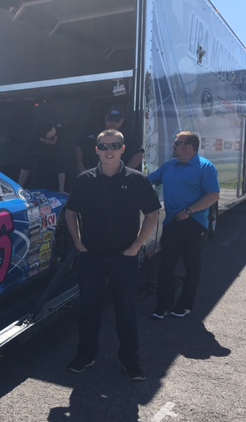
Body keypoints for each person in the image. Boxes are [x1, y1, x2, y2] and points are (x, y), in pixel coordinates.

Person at [65, 129, 160, 381]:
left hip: (124, 257)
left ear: (122, 149)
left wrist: (137, 246)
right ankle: (85, 355)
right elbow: (70, 212)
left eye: (114, 146)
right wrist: (78, 243)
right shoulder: (84, 180)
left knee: (125, 311)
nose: (109, 151)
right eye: (104, 146)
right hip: (91, 257)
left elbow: (152, 214)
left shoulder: (137, 180)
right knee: (88, 310)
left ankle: (130, 361)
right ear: (96, 150)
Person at [147, 132, 220, 319]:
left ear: (190, 147)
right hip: (172, 223)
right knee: (166, 265)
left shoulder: (205, 167)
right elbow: (148, 181)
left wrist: (189, 211)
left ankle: (185, 305)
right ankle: (163, 306)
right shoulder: (169, 166)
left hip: (194, 223)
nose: (174, 146)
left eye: (177, 143)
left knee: (192, 266)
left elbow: (213, 195)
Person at [75, 105, 144, 174]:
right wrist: (80, 165)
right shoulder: (93, 133)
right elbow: (79, 146)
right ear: (105, 118)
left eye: (116, 120)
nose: (112, 123)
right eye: (110, 119)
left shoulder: (129, 136)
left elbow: (139, 153)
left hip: (117, 176)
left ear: (122, 120)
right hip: (93, 175)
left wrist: (125, 172)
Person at [17, 123, 68, 193]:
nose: (56, 137)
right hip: (39, 173)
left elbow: (61, 166)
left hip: (59, 173)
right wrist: (19, 188)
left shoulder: (60, 139)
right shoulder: (32, 143)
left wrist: (62, 190)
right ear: (42, 139)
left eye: (56, 133)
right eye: (52, 137)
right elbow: (25, 166)